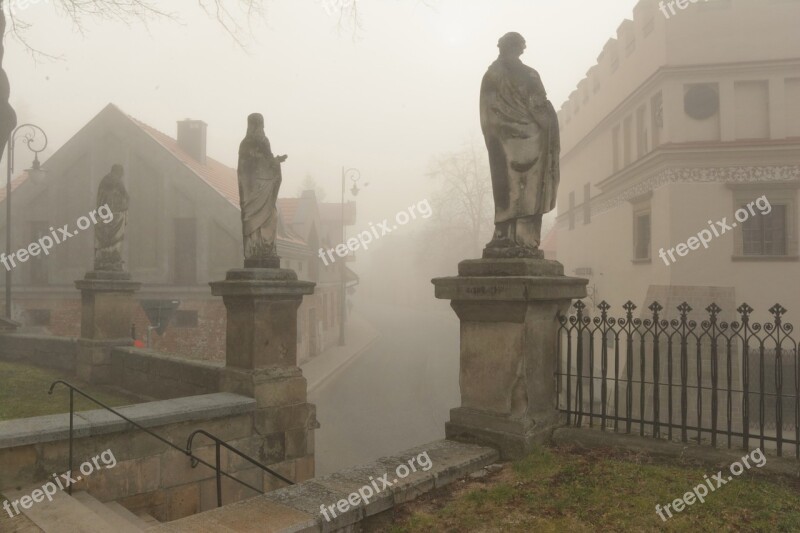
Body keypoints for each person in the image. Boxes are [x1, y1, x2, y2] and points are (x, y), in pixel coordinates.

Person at [480, 32, 560, 258]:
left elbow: (486, 114)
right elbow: (539, 108)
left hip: (501, 143)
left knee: (505, 189)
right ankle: (524, 239)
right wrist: (551, 123)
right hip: (532, 142)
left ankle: (503, 236)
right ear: (520, 49)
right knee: (528, 191)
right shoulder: (529, 75)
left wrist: (496, 135)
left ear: (502, 48)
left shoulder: (490, 76)